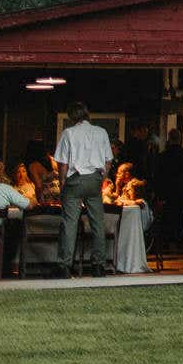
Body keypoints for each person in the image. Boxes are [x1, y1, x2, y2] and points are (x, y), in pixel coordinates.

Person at [53, 102, 115, 278]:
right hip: (95, 179)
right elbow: (108, 161)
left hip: (75, 178)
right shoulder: (101, 132)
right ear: (87, 115)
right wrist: (101, 179)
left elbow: (63, 162)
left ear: (72, 117)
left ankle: (64, 265)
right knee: (97, 223)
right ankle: (98, 265)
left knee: (69, 223)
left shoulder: (69, 133)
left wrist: (63, 182)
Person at [154, 129, 183, 249]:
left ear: (169, 139)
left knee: (167, 218)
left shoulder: (162, 156)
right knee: (180, 217)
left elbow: (158, 177)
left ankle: (167, 243)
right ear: (180, 139)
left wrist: (159, 194)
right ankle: (179, 242)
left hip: (167, 194)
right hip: (182, 193)